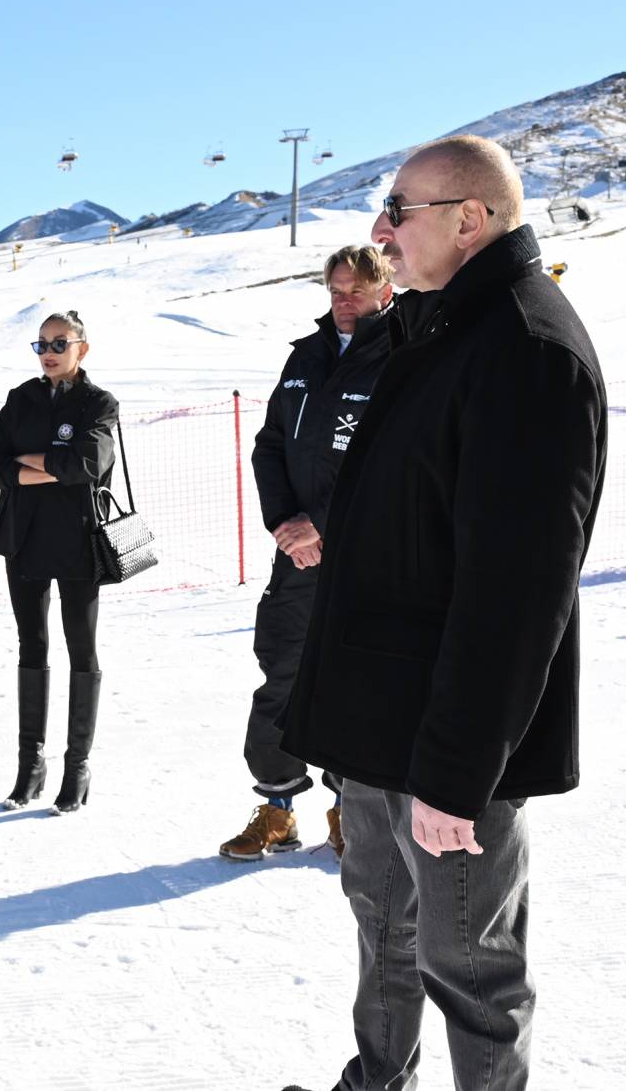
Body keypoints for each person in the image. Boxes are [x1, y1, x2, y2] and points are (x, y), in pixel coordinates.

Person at [282, 135, 607, 1091]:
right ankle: (378, 1081)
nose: (380, 234)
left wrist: (460, 773)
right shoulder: (441, 327)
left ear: (471, 219)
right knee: (384, 925)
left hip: (447, 740)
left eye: (399, 210)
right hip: (380, 720)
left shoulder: (526, 347)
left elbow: (516, 590)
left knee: (470, 967)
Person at [222, 246, 396, 862]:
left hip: (363, 555)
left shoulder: (401, 355)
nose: (343, 301)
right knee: (282, 675)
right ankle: (276, 810)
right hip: (295, 554)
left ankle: (351, 812)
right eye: (336, 290)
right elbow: (269, 446)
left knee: (354, 682)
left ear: (385, 288)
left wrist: (319, 524)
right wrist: (284, 524)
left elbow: (391, 465)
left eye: (356, 290)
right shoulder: (305, 356)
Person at [0, 310, 118, 814]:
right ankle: (29, 765)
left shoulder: (99, 402)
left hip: (79, 540)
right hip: (24, 539)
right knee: (31, 644)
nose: (49, 352)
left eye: (60, 342)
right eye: (41, 344)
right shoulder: (22, 398)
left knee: (81, 647)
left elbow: (87, 463)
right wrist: (49, 466)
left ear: (83, 347)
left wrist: (29, 462)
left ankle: (76, 766)